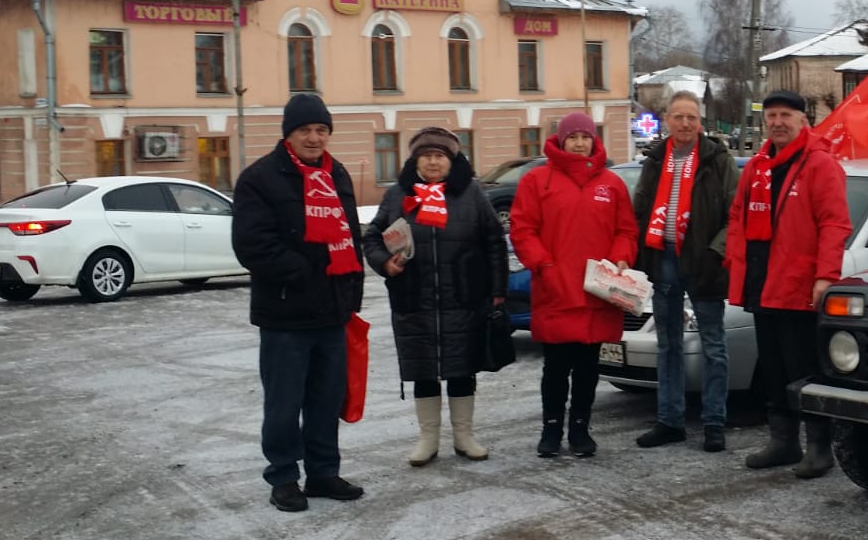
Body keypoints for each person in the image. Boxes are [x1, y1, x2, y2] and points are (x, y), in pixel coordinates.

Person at [231, 93, 366, 513]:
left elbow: (351, 238)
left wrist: (351, 292)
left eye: (321, 130)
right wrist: (306, 271)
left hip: (332, 312)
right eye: (305, 130)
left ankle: (323, 472)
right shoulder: (260, 178)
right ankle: (285, 477)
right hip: (286, 314)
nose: (314, 138)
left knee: (326, 399)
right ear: (289, 134)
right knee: (284, 404)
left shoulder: (337, 174)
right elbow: (252, 245)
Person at [361, 127, 508, 468]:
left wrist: (498, 291)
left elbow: (494, 244)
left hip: (464, 297)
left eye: (439, 155)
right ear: (415, 160)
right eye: (425, 155)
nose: (432, 161)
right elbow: (372, 238)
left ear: (451, 160)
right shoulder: (398, 194)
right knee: (423, 369)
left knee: (461, 368)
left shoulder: (471, 193)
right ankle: (427, 438)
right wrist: (385, 262)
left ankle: (464, 435)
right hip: (415, 298)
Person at [726, 89, 852, 479]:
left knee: (804, 369)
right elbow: (737, 219)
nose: (778, 122)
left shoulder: (819, 164)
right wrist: (735, 267)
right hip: (763, 285)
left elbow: (835, 223)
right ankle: (783, 441)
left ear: (802, 120)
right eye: (772, 116)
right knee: (774, 369)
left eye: (786, 115)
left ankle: (818, 446)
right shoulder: (758, 166)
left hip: (798, 287)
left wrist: (824, 276)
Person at [509, 113, 638, 457]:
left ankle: (581, 429)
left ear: (594, 141)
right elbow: (522, 229)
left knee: (588, 368)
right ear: (560, 141)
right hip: (556, 289)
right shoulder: (538, 181)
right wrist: (543, 264)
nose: (580, 143)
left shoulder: (611, 183)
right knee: (555, 367)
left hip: (597, 291)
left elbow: (626, 230)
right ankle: (551, 430)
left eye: (586, 137)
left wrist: (620, 258)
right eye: (573, 137)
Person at [630, 91, 741, 452]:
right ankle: (670, 420)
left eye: (691, 117)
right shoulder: (655, 159)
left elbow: (734, 212)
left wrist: (716, 251)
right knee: (669, 347)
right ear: (667, 121)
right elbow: (641, 207)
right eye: (678, 116)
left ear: (700, 122)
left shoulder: (717, 159)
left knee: (713, 347)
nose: (685, 123)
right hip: (663, 259)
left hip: (704, 262)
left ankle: (714, 422)